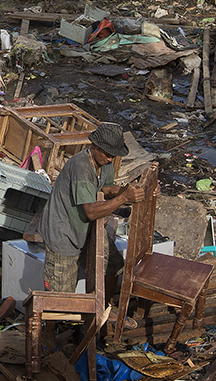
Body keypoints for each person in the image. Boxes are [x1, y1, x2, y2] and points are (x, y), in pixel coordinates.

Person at [39, 122, 143, 303]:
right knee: (61, 297)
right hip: (63, 232)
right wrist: (125, 197)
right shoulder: (81, 168)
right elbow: (91, 212)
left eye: (113, 155)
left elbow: (108, 188)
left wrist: (134, 191)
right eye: (107, 154)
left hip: (85, 229)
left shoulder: (104, 161)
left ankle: (103, 308)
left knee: (113, 265)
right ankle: (53, 329)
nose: (110, 159)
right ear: (95, 146)